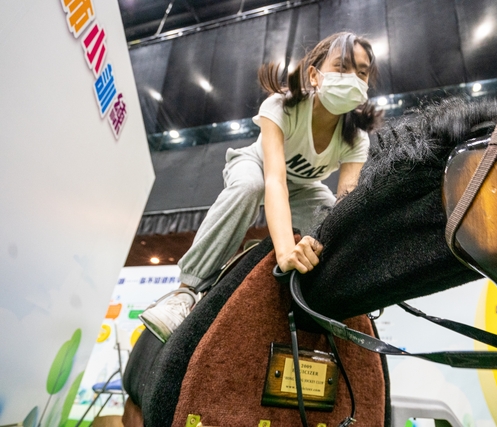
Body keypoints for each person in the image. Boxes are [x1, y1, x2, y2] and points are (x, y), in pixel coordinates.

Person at [139, 32, 382, 342]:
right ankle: (185, 292)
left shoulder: (356, 137)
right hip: (257, 166)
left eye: (361, 72)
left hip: (305, 187)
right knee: (250, 186)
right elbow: (274, 180)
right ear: (314, 75)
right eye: (342, 67)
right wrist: (285, 251)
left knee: (331, 218)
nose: (352, 78)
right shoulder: (281, 106)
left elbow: (347, 201)